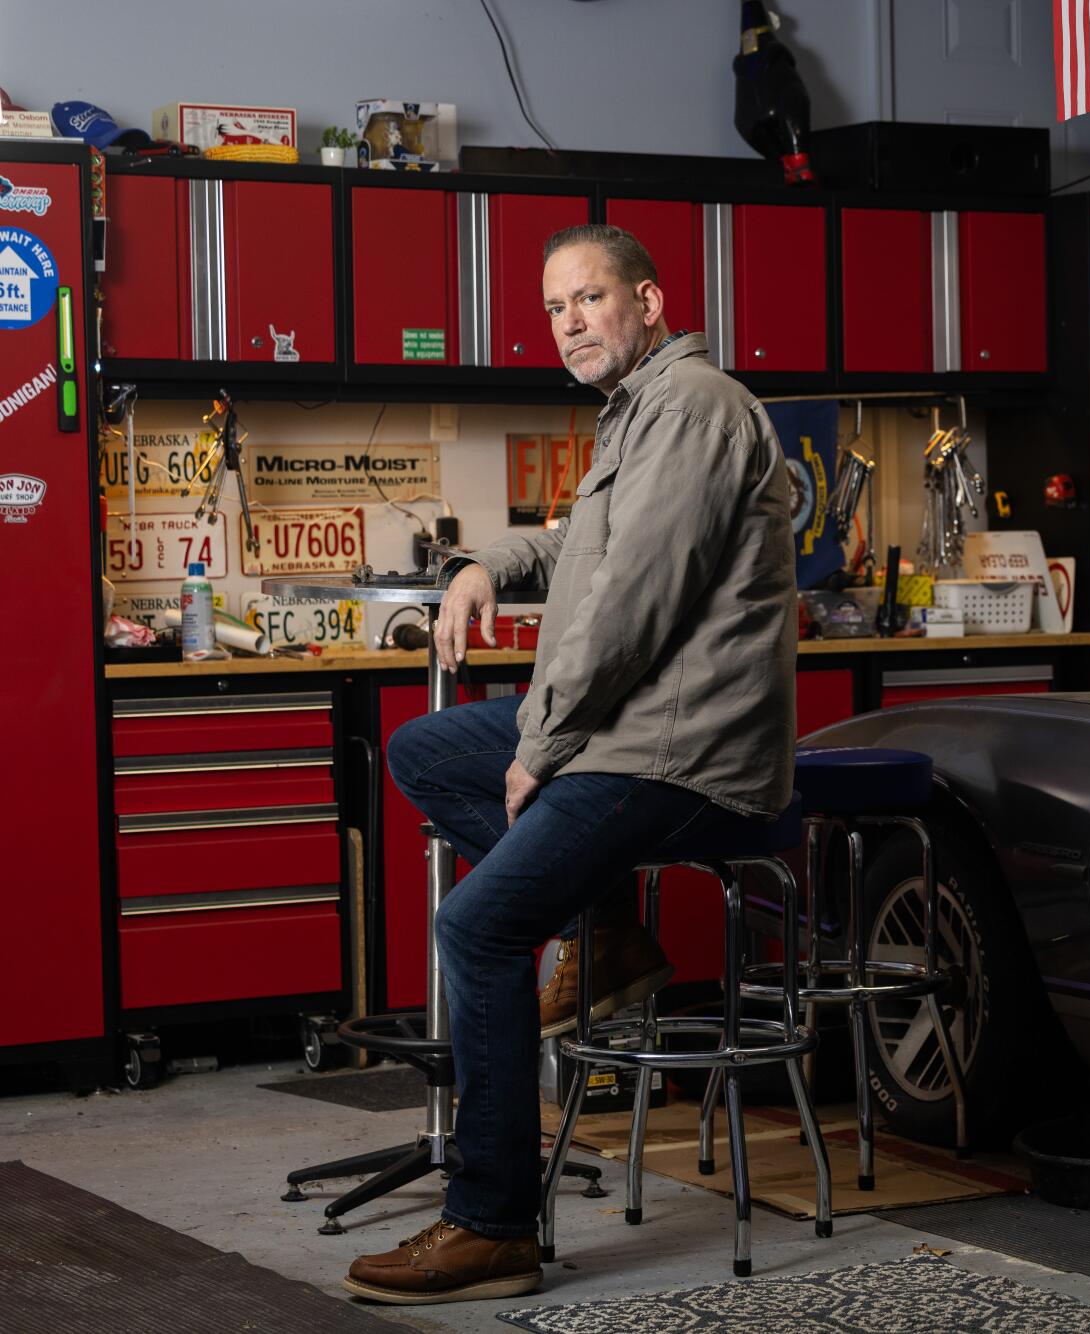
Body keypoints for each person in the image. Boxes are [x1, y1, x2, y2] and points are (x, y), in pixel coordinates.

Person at [343, 223, 797, 1305]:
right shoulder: (637, 415)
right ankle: (602, 927)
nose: (570, 322)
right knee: (427, 745)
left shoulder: (690, 408)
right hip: (626, 732)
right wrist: (478, 563)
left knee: (480, 924)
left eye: (589, 297)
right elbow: (574, 546)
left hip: (679, 753)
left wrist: (539, 747)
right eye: (554, 307)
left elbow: (629, 607)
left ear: (647, 300)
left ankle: (491, 1221)